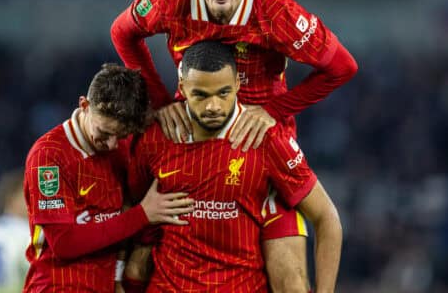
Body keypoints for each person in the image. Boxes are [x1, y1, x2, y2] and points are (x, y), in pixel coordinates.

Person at [111, 0, 357, 292]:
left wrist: (273, 112)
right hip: (189, 132)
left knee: (290, 280)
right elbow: (122, 33)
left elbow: (342, 67)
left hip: (257, 142)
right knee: (135, 254)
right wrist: (158, 102)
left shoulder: (278, 14)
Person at [128, 41, 342, 292]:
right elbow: (128, 208)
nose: (213, 107)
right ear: (183, 88)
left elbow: (327, 217)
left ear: (238, 86)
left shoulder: (265, 139)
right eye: (200, 94)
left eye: (223, 93)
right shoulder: (155, 138)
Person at [22, 63, 195, 292]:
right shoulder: (49, 156)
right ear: (84, 105)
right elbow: (64, 243)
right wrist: (143, 215)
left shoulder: (121, 148)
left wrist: (118, 275)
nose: (113, 144)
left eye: (121, 135)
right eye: (104, 133)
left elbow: (121, 212)